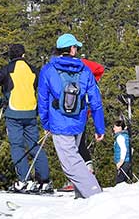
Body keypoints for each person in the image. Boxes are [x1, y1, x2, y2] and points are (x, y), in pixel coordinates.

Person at [38, 33, 106, 199]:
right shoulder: (85, 70)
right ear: (72, 49)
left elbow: (43, 99)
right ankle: (82, 197)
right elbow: (95, 101)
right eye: (76, 46)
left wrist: (46, 123)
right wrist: (99, 127)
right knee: (74, 158)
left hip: (58, 122)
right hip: (79, 121)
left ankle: (95, 195)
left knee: (70, 164)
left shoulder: (48, 70)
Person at [0, 43, 52, 193]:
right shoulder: (33, 70)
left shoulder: (7, 69)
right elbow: (43, 88)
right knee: (34, 145)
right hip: (30, 112)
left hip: (13, 113)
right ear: (23, 55)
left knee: (17, 146)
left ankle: (24, 181)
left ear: (10, 56)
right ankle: (44, 181)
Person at [113, 119, 133, 184]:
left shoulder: (120, 137)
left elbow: (124, 149)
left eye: (115, 127)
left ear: (120, 128)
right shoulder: (125, 136)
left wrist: (120, 162)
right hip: (127, 162)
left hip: (123, 163)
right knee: (124, 182)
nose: (114, 129)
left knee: (120, 182)